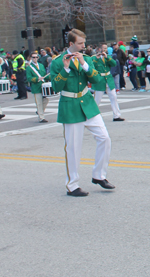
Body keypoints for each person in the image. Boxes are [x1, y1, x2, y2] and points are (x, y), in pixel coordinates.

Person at [50, 29, 115, 197]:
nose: (84, 46)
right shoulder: (57, 62)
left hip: (88, 104)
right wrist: (65, 69)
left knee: (104, 138)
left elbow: (97, 80)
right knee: (73, 148)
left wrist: (85, 66)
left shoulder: (86, 59)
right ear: (71, 44)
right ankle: (72, 185)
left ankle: (99, 175)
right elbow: (55, 87)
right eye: (80, 43)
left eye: (84, 43)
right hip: (70, 106)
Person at [91, 44, 125, 122]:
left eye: (106, 48)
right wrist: (97, 58)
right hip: (100, 80)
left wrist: (107, 57)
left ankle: (116, 115)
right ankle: (93, 116)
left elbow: (114, 64)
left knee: (114, 97)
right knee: (97, 99)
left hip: (108, 79)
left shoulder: (108, 57)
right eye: (103, 48)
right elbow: (92, 66)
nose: (105, 50)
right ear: (99, 49)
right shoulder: (93, 58)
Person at [26, 52, 50, 123]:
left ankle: (39, 111)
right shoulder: (29, 68)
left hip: (43, 86)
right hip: (36, 87)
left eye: (36, 57)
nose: (35, 58)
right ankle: (41, 117)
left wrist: (51, 76)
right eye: (33, 57)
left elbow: (45, 75)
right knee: (39, 103)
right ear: (31, 58)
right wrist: (37, 79)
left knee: (46, 100)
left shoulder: (41, 65)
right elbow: (29, 78)